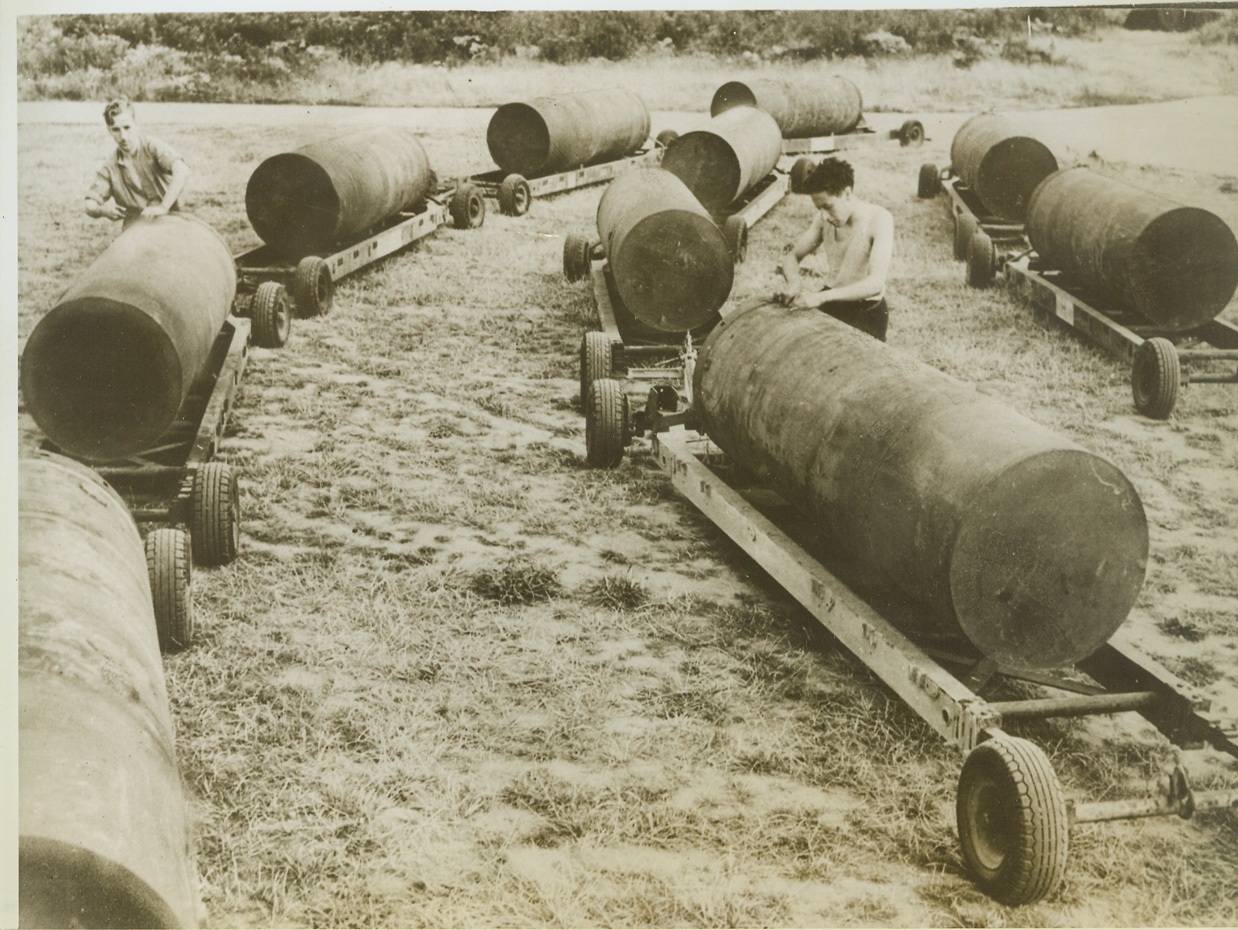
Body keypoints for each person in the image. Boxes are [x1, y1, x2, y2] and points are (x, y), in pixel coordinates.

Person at [776, 157, 894, 341]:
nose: (823, 216)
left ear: (847, 194)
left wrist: (821, 297)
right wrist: (794, 284)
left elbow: (875, 283)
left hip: (867, 311)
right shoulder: (823, 219)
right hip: (833, 302)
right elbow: (793, 256)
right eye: (819, 208)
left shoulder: (879, 219)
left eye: (828, 207)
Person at [84, 97, 191, 227]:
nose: (123, 136)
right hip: (136, 229)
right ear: (109, 130)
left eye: (127, 127)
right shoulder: (110, 167)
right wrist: (102, 210)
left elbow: (182, 171)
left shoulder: (152, 146)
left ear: (136, 123)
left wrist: (163, 207)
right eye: (116, 129)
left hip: (170, 219)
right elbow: (88, 204)